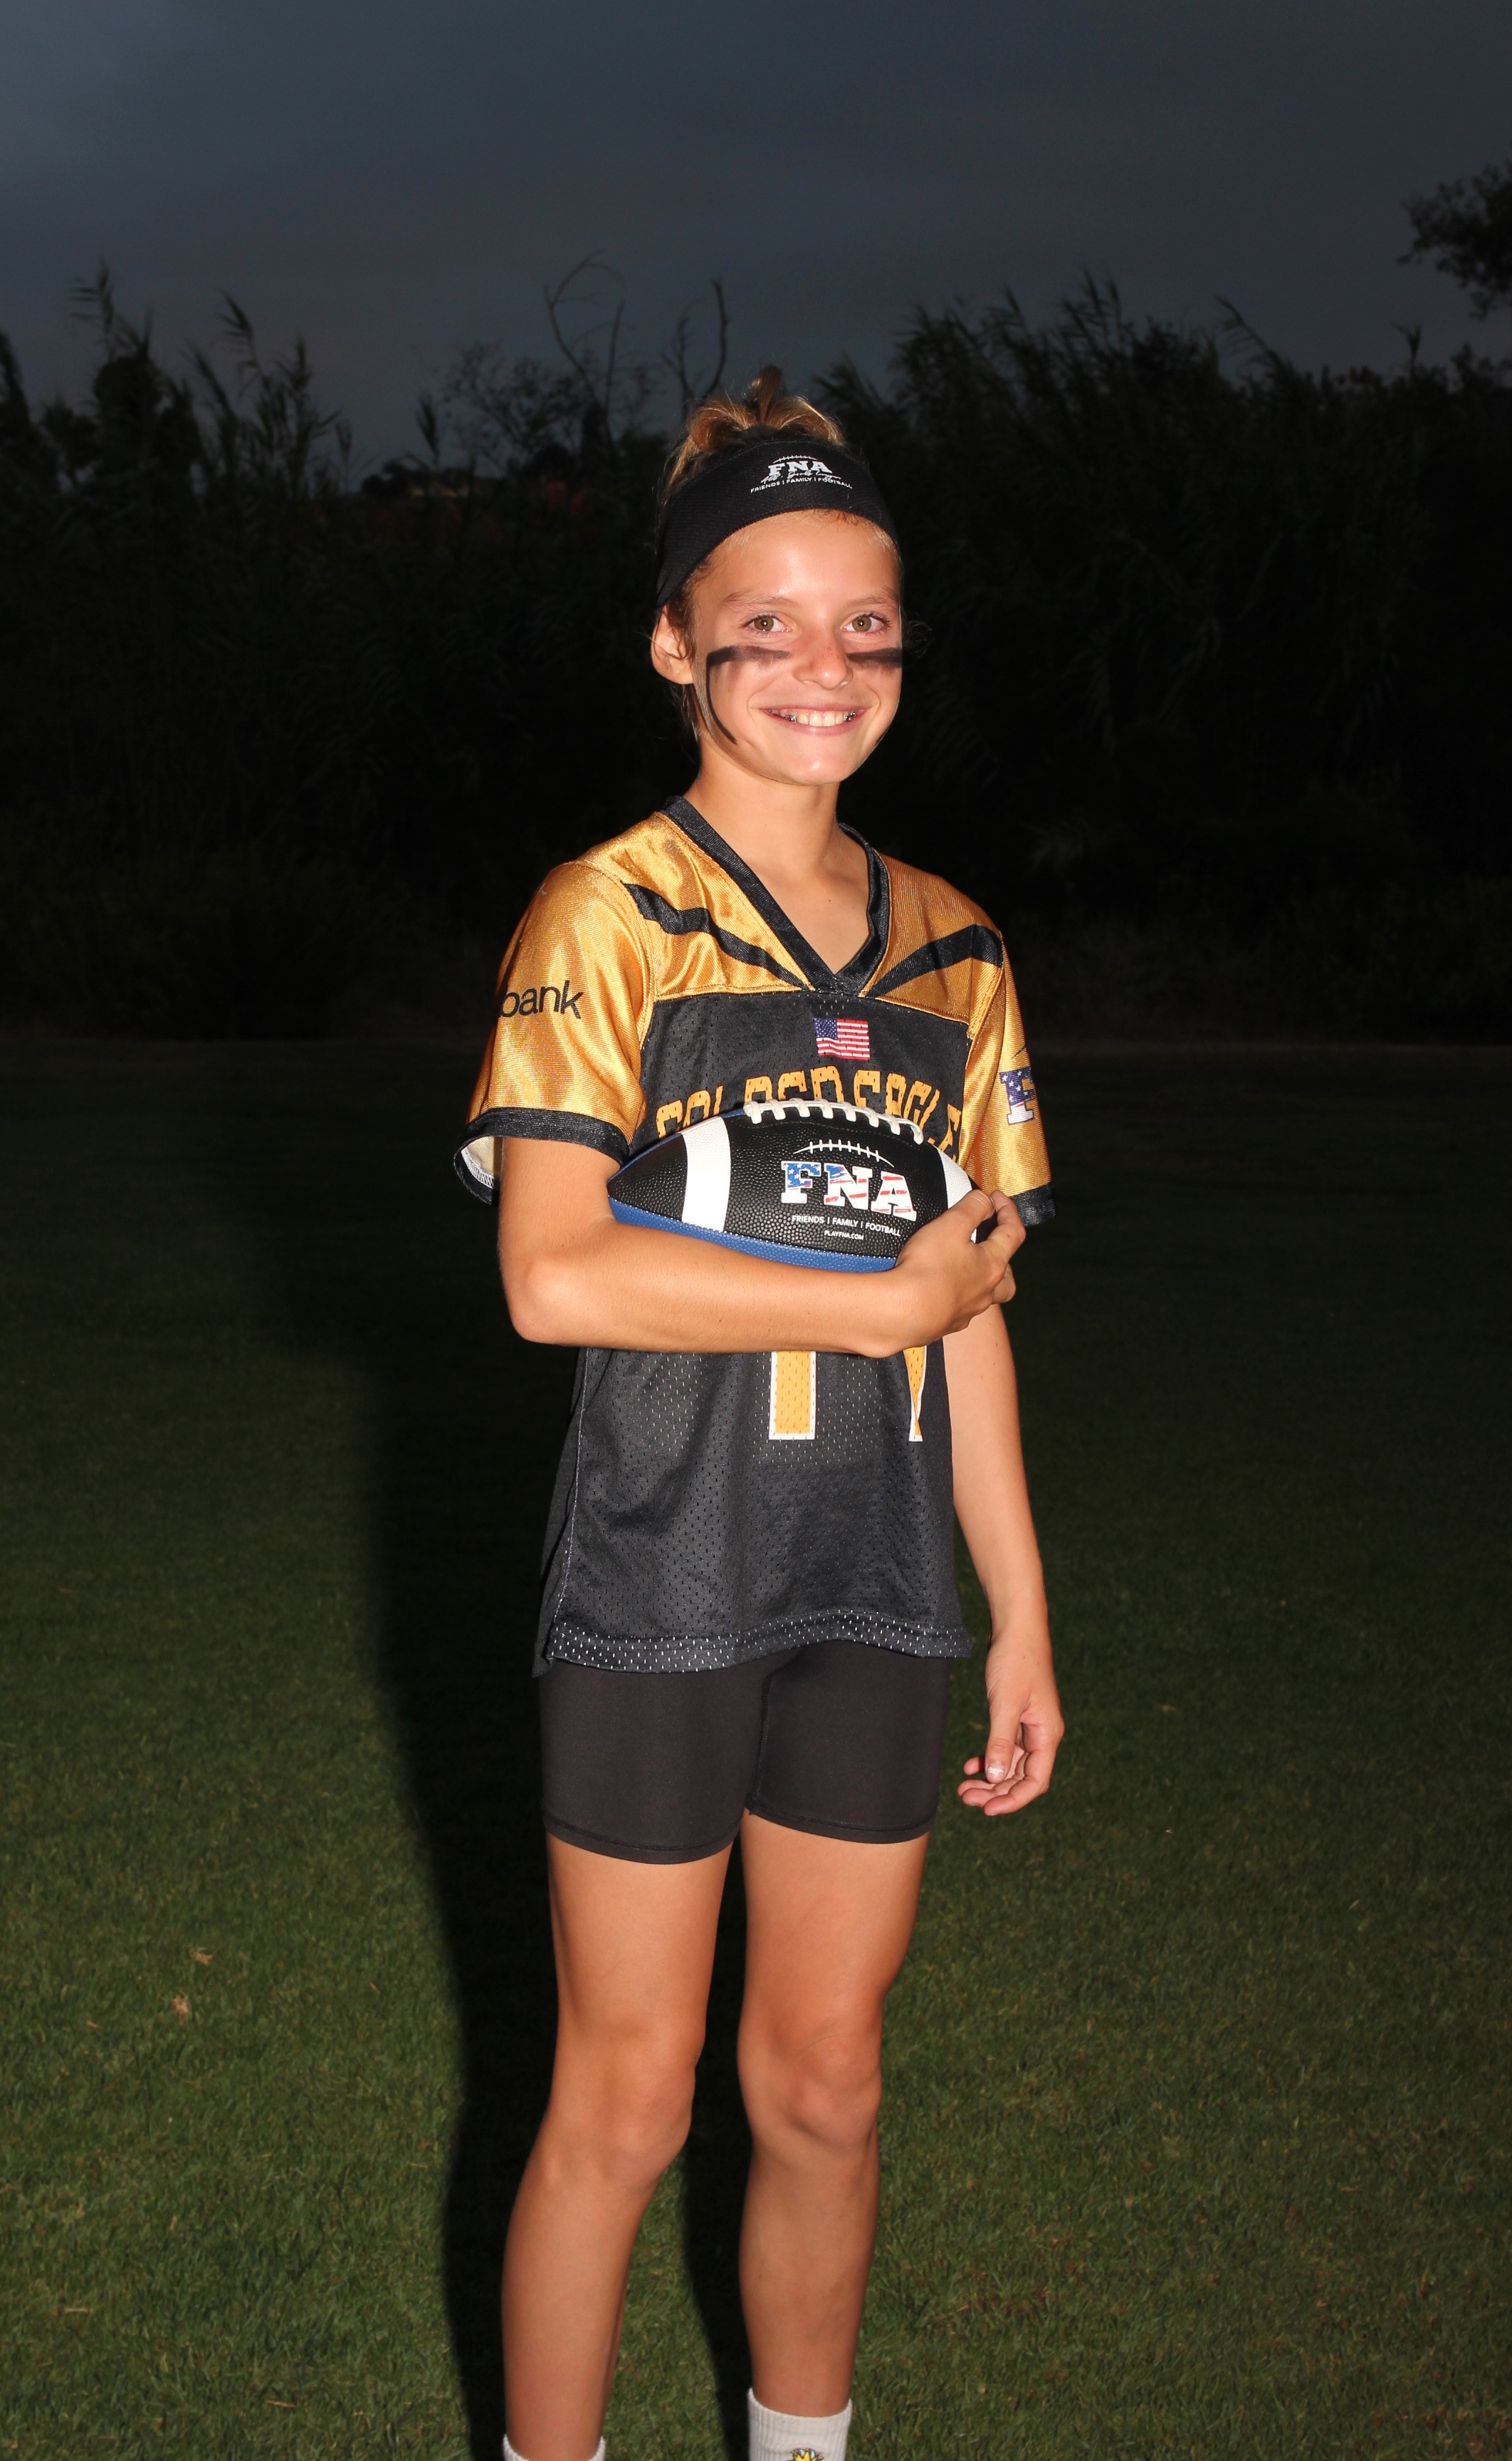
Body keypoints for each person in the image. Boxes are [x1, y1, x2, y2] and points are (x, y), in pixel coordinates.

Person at [456, 369, 1064, 2461]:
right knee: (624, 2103)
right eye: (768, 624)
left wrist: (1021, 1613)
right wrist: (874, 1294)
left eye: (865, 625)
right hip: (663, 1579)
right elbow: (552, 1275)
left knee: (824, 2084)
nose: (825, 668)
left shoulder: (957, 952)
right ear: (674, 644)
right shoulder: (608, 915)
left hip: (875, 1589)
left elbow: (971, 1308)